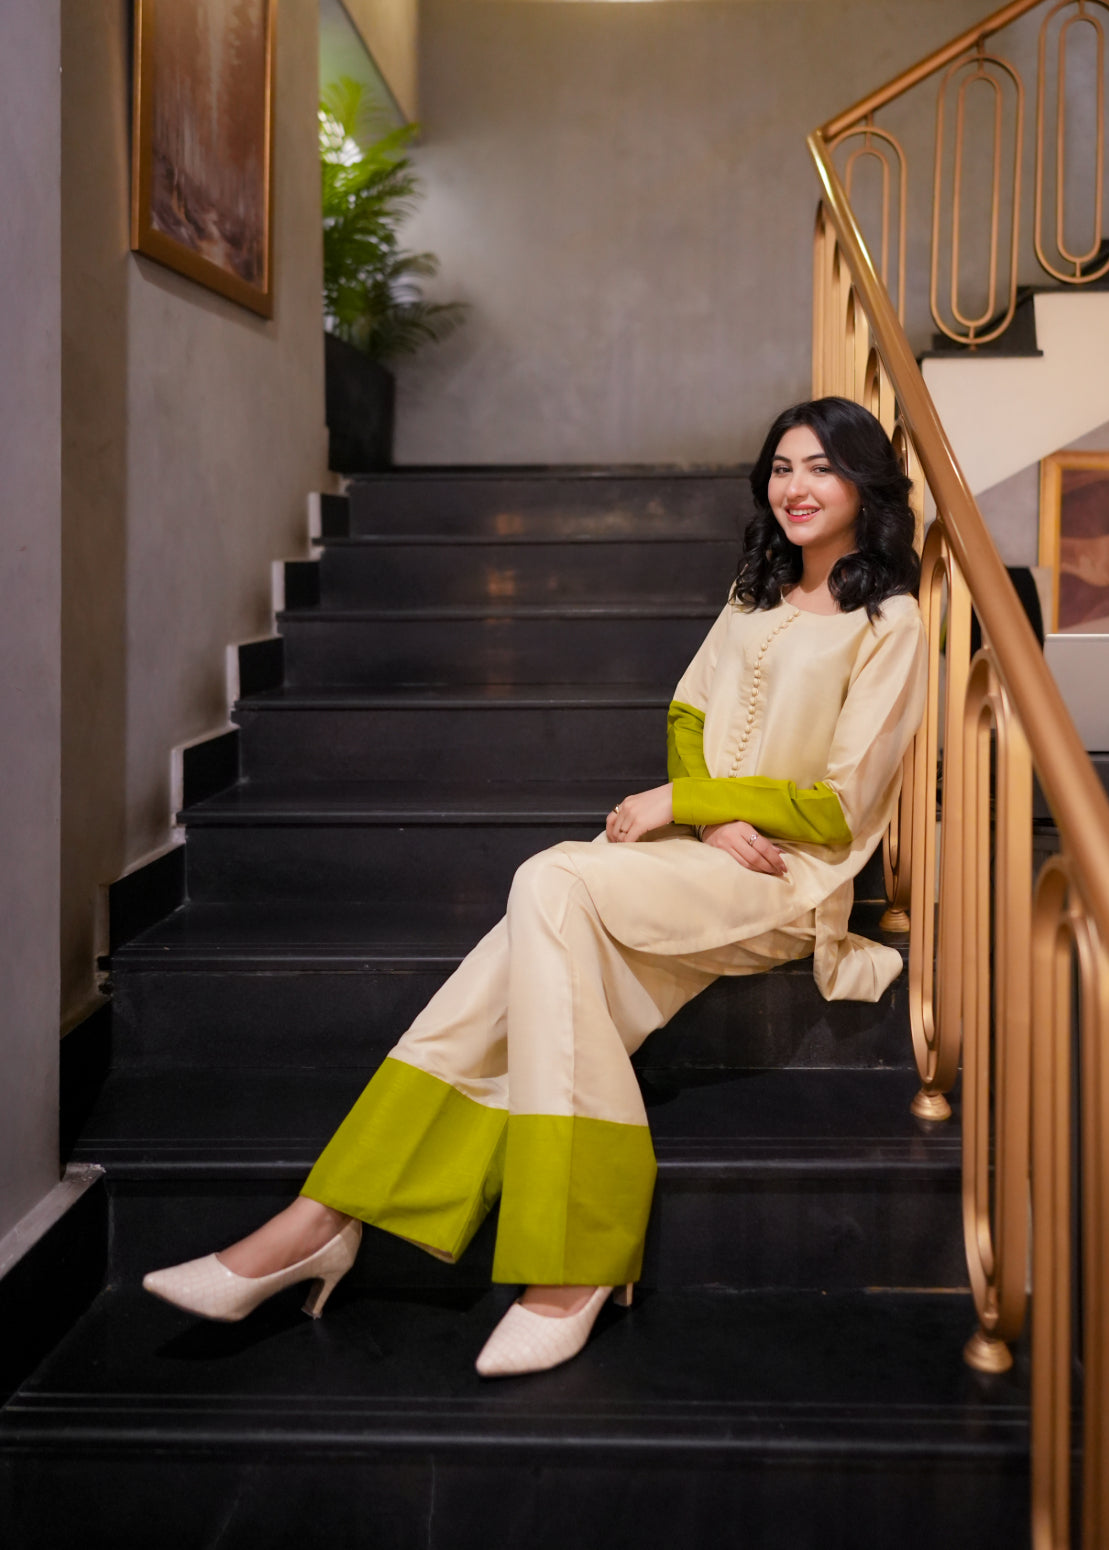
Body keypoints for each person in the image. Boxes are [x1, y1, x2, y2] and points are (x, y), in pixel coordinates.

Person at [143, 396, 928, 1378]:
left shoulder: (890, 621)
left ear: (864, 484)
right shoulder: (754, 593)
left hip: (788, 881)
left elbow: (843, 803)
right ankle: (507, 1248)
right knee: (547, 917)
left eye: (820, 468)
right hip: (708, 854)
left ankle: (334, 1219)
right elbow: (688, 708)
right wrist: (710, 812)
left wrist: (689, 799)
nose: (796, 487)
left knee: (549, 878)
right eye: (780, 467)